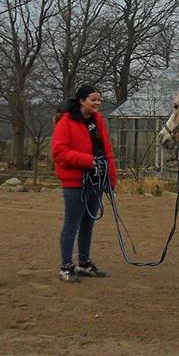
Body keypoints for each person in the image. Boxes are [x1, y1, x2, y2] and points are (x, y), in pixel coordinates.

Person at [51, 84, 117, 282]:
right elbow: (59, 152)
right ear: (81, 101)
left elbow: (107, 151)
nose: (97, 103)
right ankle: (65, 266)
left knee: (88, 224)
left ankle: (84, 263)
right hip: (75, 183)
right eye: (93, 100)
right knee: (72, 224)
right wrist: (87, 161)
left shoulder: (98, 122)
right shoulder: (66, 122)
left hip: (96, 181)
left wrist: (110, 179)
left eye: (99, 100)